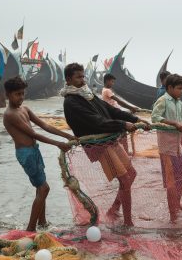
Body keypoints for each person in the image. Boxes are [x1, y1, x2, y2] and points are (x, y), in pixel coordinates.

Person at [62, 63, 150, 227]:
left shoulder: (87, 94)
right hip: (98, 145)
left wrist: (135, 119)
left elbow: (110, 110)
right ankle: (128, 223)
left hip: (110, 140)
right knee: (124, 180)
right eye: (78, 77)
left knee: (132, 174)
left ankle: (114, 209)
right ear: (68, 79)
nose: (83, 79)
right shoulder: (71, 102)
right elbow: (96, 122)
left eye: (83, 76)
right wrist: (123, 125)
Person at [3, 77, 74, 231]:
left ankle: (42, 223)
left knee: (40, 188)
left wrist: (67, 136)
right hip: (26, 154)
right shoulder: (10, 115)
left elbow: (44, 125)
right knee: (44, 189)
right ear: (8, 95)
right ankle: (30, 229)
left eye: (23, 94)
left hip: (34, 150)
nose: (21, 97)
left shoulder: (25, 109)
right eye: (17, 94)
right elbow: (34, 134)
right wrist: (58, 144)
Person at [152, 74, 182, 222]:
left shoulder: (180, 103)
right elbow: (155, 118)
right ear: (169, 88)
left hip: (179, 147)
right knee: (171, 182)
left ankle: (177, 202)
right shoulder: (162, 100)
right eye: (179, 88)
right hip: (167, 148)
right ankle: (172, 215)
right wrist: (174, 124)